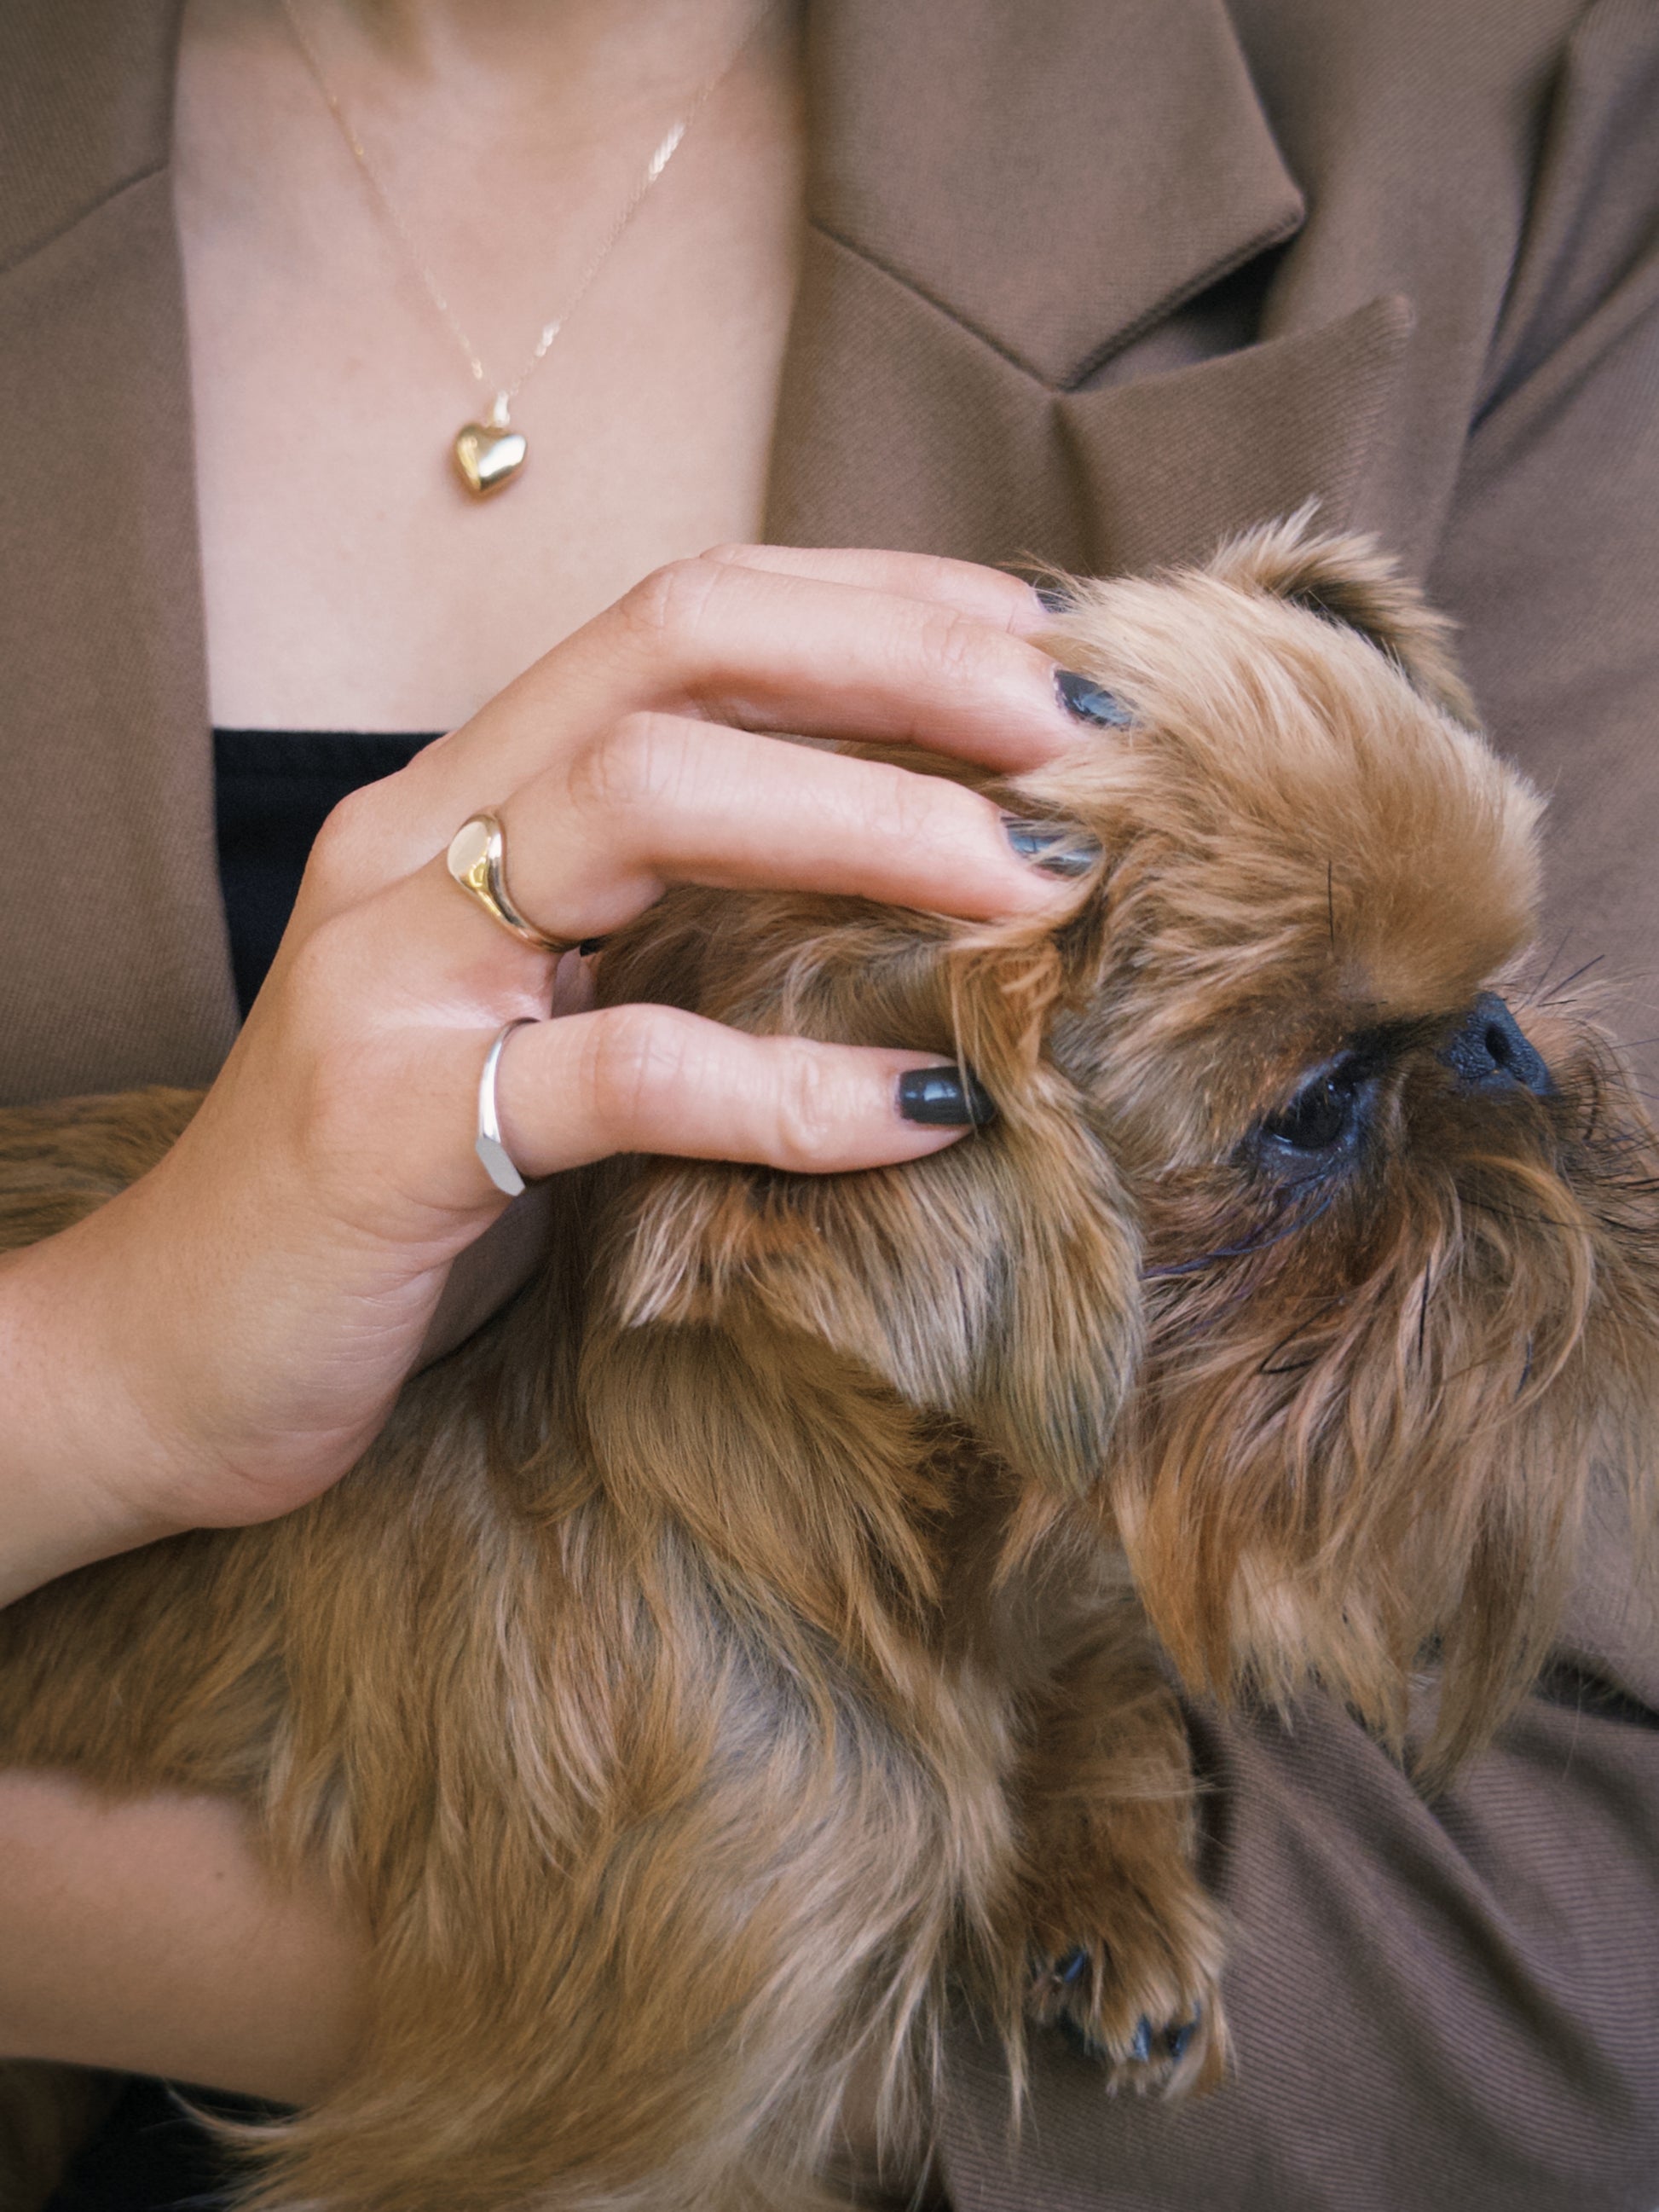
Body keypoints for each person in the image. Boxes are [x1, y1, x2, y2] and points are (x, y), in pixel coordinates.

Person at [1, 1, 1656, 2207]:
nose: (1499, 1078)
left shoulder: (1515, 115)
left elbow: (1574, 1959)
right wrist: (85, 1377)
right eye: (1307, 1116)